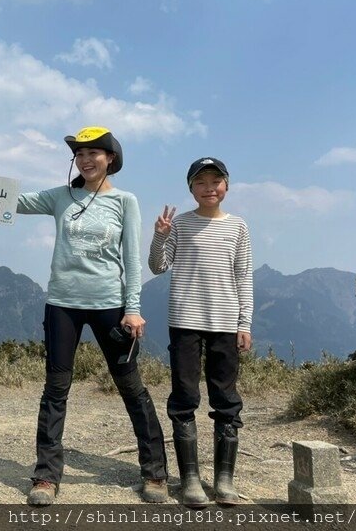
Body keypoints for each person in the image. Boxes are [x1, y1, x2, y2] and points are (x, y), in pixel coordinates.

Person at [0, 127, 168, 506]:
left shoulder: (126, 201)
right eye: (79, 154)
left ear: (110, 158)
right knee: (55, 390)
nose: (85, 159)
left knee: (131, 387)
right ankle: (46, 477)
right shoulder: (61, 196)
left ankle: (155, 473)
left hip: (110, 306)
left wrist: (133, 309)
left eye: (94, 153)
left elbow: (131, 259)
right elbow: (14, 201)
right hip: (62, 303)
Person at [148, 157, 253, 507]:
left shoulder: (238, 227)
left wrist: (244, 323)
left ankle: (225, 480)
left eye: (216, 181)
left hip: (225, 322)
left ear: (227, 185)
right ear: (191, 188)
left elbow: (243, 277)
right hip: (184, 321)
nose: (210, 188)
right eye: (201, 182)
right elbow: (158, 266)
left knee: (226, 399)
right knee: (184, 398)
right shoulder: (180, 224)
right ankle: (190, 480)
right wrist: (159, 237)